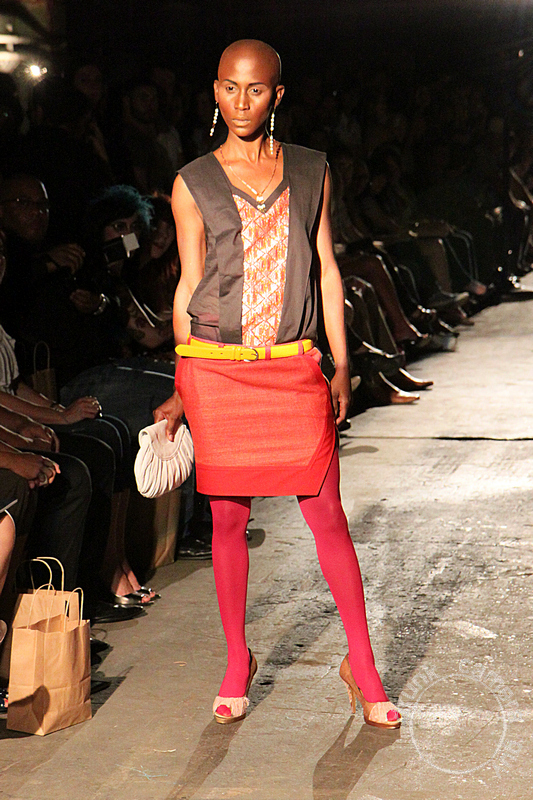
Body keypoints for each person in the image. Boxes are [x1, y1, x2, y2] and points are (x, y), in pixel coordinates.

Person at [156, 40, 401, 728]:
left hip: (294, 366)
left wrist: (342, 362)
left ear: (277, 95)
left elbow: (326, 266)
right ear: (214, 91)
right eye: (228, 88)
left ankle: (363, 664)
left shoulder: (311, 169)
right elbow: (188, 284)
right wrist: (182, 380)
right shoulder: (192, 182)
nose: (241, 102)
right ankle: (237, 659)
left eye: (255, 89)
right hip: (216, 368)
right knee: (228, 521)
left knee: (328, 517)